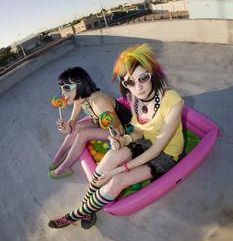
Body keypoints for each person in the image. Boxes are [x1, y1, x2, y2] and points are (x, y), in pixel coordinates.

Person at [48, 44, 184, 229]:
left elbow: (157, 149)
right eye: (130, 82)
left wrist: (116, 171)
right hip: (144, 142)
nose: (138, 87)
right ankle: (88, 208)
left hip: (166, 154)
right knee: (112, 155)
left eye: (143, 78)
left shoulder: (172, 101)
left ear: (152, 74)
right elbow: (137, 131)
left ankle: (74, 215)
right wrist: (123, 140)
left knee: (117, 180)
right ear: (124, 84)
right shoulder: (134, 98)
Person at [48, 66, 132, 179]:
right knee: (77, 128)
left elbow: (119, 130)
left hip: (123, 128)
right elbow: (77, 107)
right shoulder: (80, 97)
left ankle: (63, 168)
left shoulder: (98, 103)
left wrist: (119, 143)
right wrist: (70, 124)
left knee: (84, 134)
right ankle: (59, 156)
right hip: (100, 122)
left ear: (80, 85)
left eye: (66, 88)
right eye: (61, 88)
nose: (62, 92)